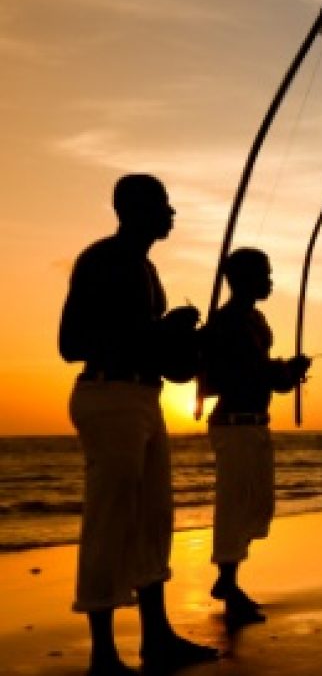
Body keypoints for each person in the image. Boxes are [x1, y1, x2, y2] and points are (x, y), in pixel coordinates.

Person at [58, 173, 219, 675]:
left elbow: (166, 363)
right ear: (133, 210)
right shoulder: (101, 260)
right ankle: (103, 653)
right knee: (110, 521)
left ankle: (157, 636)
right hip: (108, 397)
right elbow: (71, 344)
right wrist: (157, 329)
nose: (172, 213)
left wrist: (190, 344)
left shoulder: (149, 270)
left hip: (143, 398)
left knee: (153, 520)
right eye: (163, 204)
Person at [201, 247, 310, 624]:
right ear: (243, 279)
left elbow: (265, 374)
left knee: (257, 506)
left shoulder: (255, 320)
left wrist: (286, 373)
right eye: (263, 274)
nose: (270, 281)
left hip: (255, 422)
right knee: (235, 506)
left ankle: (228, 579)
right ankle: (228, 583)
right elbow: (249, 372)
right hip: (234, 423)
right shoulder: (227, 322)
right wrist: (286, 372)